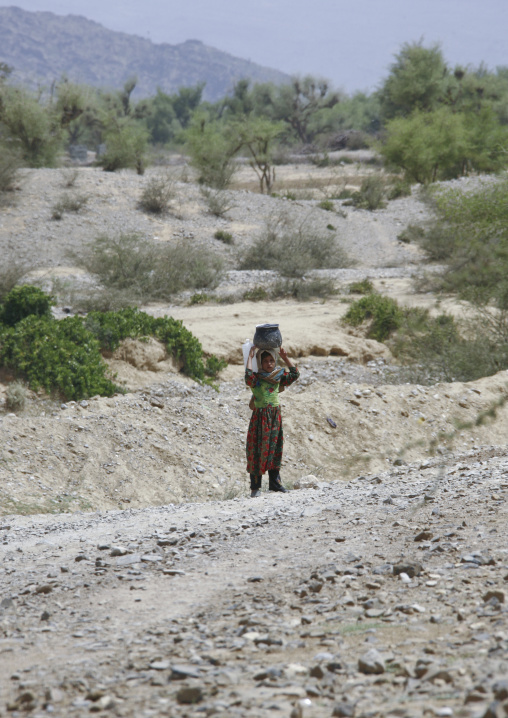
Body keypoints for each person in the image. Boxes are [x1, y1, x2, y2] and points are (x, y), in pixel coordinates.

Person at [245, 345, 300, 497]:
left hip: (275, 417)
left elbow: (295, 374)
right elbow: (248, 376)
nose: (269, 364)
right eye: (265, 361)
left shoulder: (277, 377)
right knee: (256, 451)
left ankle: (275, 484)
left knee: (275, 450)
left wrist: (285, 358)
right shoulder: (256, 380)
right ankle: (255, 488)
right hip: (260, 419)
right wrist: (249, 358)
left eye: (271, 360)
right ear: (260, 363)